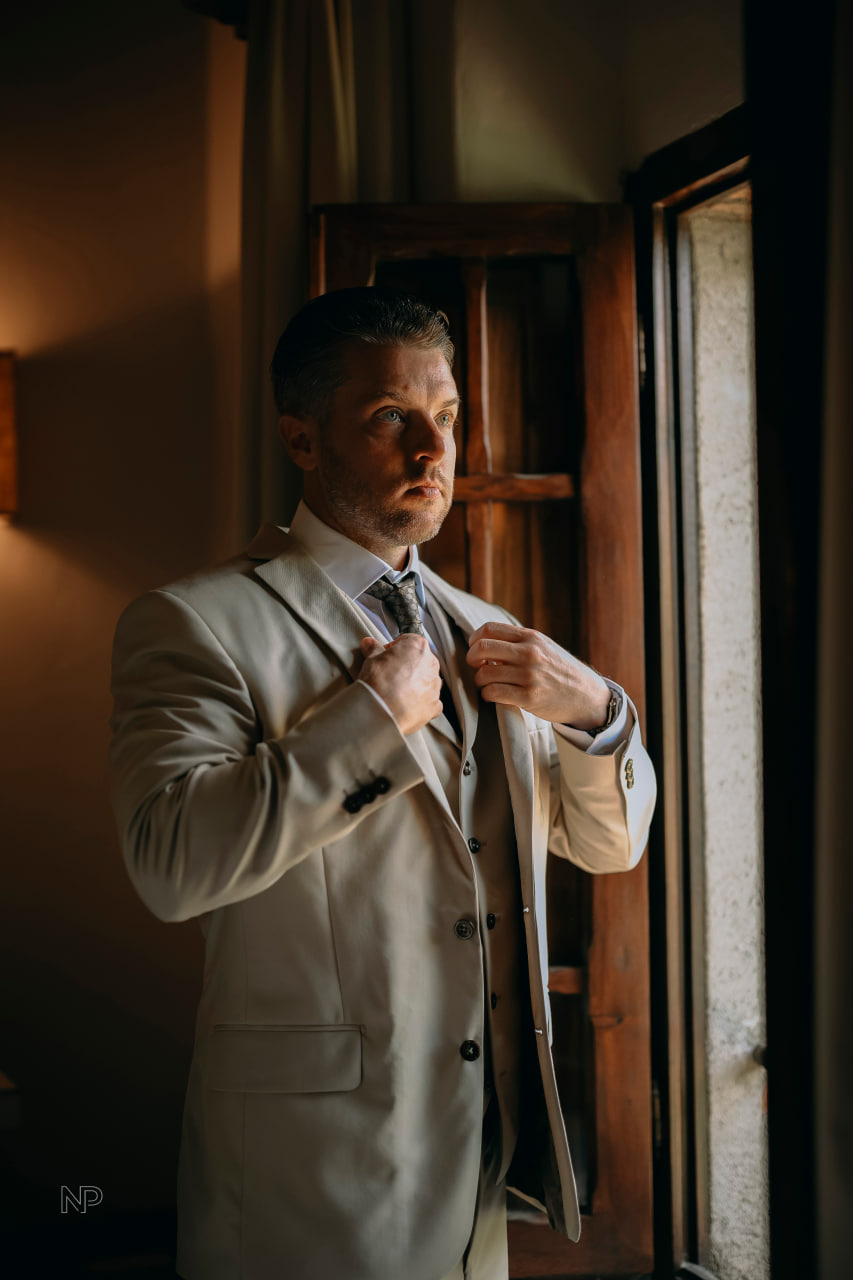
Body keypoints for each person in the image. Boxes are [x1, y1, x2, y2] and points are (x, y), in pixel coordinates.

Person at [108, 288, 656, 1280]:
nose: (433, 451)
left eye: (446, 416)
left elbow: (608, 844)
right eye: (390, 417)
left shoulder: (487, 623)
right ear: (302, 438)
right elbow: (172, 864)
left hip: (478, 1174)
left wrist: (596, 711)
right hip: (304, 1182)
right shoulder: (195, 622)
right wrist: (367, 723)